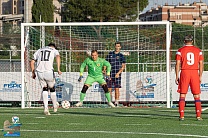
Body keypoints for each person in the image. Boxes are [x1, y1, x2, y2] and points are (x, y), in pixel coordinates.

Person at [175, 35, 204, 121]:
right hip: (194, 72)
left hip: (185, 72)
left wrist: (177, 76)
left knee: (182, 94)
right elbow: (201, 64)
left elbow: (178, 64)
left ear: (184, 41)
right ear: (192, 41)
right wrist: (200, 75)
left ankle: (182, 115)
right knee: (197, 95)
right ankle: (198, 115)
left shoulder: (180, 51)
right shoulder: (198, 51)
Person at [30, 43, 62, 115]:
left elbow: (32, 61)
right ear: (53, 47)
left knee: (44, 88)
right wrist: (58, 69)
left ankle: (46, 108)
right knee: (52, 88)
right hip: (48, 71)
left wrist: (33, 72)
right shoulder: (54, 50)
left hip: (39, 72)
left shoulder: (39, 50)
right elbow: (58, 57)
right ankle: (55, 106)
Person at [105, 41, 126, 106]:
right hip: (110, 73)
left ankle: (116, 102)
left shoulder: (121, 56)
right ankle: (109, 101)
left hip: (117, 74)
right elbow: (106, 63)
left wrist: (118, 73)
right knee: (109, 88)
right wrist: (104, 70)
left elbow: (123, 66)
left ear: (120, 47)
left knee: (117, 88)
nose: (117, 47)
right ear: (114, 46)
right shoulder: (110, 54)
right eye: (116, 46)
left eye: (118, 46)